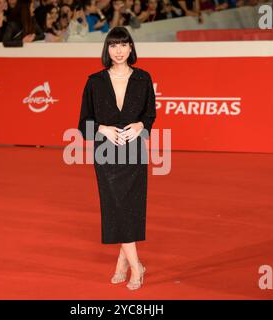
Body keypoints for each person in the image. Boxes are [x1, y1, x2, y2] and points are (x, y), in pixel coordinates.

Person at [77, 26, 156, 291]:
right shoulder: (94, 82)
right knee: (116, 207)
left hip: (134, 151)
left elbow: (150, 116)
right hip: (106, 152)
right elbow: (83, 123)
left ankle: (123, 263)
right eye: (113, 45)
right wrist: (103, 129)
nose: (119, 51)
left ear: (131, 48)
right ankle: (137, 266)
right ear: (106, 49)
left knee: (131, 207)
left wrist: (139, 126)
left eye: (123, 45)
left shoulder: (143, 79)